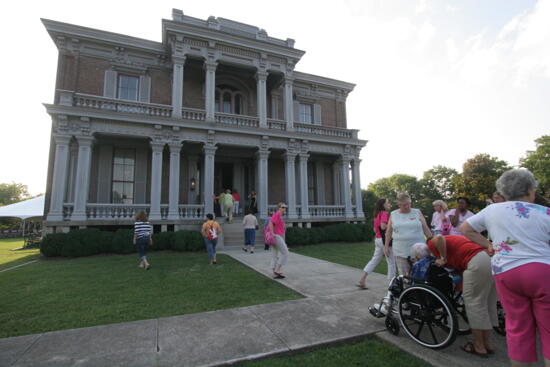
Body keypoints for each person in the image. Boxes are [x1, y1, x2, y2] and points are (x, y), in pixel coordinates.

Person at [461, 169, 550, 367]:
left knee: (518, 329)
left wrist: (488, 244)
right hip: (542, 274)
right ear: (529, 190)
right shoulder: (545, 213)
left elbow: (466, 228)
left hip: (507, 274)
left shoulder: (492, 210)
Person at [423, 236, 498, 358]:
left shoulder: (432, 243)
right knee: (488, 303)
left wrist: (442, 258)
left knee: (475, 304)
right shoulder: (457, 240)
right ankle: (487, 343)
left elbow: (439, 238)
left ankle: (479, 346)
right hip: (491, 260)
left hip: (476, 261)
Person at [384, 192, 432, 276]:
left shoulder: (417, 212)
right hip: (400, 250)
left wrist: (433, 243)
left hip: (419, 251)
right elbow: (388, 232)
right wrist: (386, 246)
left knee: (421, 275)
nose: (406, 206)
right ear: (399, 204)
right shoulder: (393, 214)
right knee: (405, 277)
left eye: (408, 204)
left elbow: (426, 229)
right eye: (403, 205)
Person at [357, 198, 395, 289]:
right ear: (383, 205)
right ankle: (392, 285)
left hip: (377, 239)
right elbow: (383, 227)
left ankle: (362, 279)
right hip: (385, 240)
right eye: (388, 202)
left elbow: (375, 229)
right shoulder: (385, 213)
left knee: (374, 260)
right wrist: (393, 228)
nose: (390, 204)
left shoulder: (377, 215)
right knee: (391, 262)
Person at [269, 202, 289, 279]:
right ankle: (277, 270)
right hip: (276, 236)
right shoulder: (277, 214)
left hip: (276, 236)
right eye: (283, 207)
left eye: (285, 207)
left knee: (274, 255)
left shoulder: (279, 215)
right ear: (279, 208)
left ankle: (274, 273)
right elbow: (271, 222)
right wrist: (272, 233)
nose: (284, 208)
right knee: (285, 253)